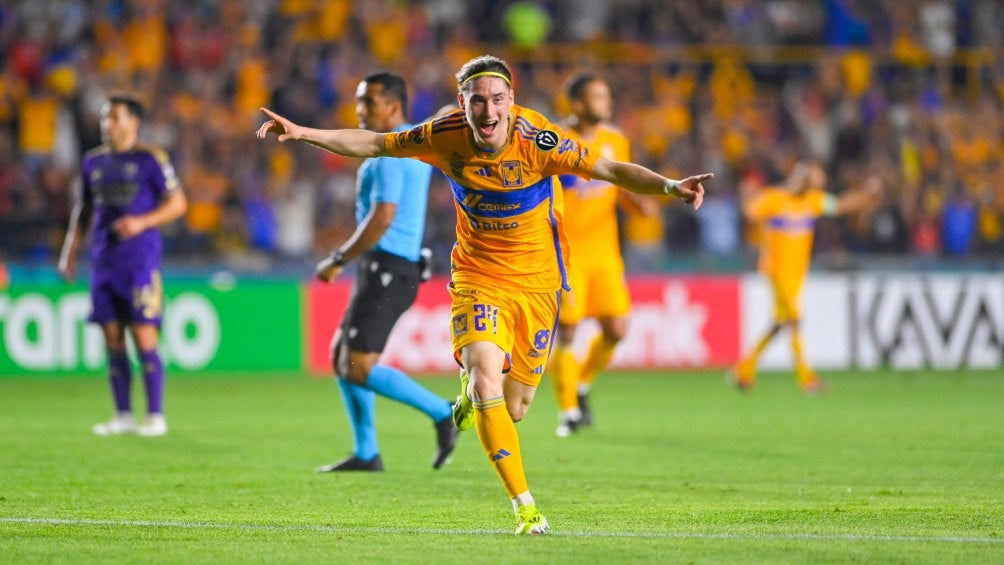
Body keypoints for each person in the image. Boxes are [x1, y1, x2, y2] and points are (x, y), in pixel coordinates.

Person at [256, 54, 712, 535]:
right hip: (478, 277)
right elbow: (373, 142)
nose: (488, 111)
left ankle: (474, 402)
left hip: (537, 283)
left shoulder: (540, 141)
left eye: (497, 99)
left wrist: (670, 186)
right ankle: (525, 506)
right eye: (477, 101)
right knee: (485, 381)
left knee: (514, 408)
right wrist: (303, 132)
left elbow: (611, 170)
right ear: (462, 103)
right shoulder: (443, 134)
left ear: (511, 101)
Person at [310, 71, 458, 473]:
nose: (360, 109)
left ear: (393, 106)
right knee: (341, 354)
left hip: (389, 268)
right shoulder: (417, 141)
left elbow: (381, 218)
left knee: (356, 365)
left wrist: (338, 258)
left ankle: (441, 412)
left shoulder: (391, 153)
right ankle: (366, 452)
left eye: (369, 102)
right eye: (359, 100)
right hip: (392, 268)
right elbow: (447, 113)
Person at [58, 93, 188, 436]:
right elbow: (83, 209)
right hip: (104, 262)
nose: (107, 124)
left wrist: (142, 222)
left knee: (144, 337)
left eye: (114, 117)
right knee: (112, 340)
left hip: (140, 262)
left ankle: (155, 416)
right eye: (105, 117)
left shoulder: (150, 160)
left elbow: (178, 203)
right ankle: (123, 415)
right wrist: (69, 251)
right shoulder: (92, 163)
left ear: (134, 122)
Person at [548, 73, 656, 437]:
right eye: (598, 96)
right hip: (567, 253)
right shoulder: (555, 140)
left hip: (606, 253)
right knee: (568, 329)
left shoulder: (616, 140)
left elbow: (620, 184)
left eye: (607, 96)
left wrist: (636, 204)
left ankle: (580, 385)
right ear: (578, 104)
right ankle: (568, 412)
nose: (606, 103)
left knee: (617, 328)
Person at [730, 161, 879, 394]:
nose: (814, 188)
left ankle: (743, 369)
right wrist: (746, 194)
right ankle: (807, 379)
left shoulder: (812, 200)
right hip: (777, 272)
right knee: (795, 320)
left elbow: (840, 205)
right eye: (812, 182)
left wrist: (866, 194)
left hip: (798, 275)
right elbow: (749, 212)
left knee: (780, 324)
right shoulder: (773, 198)